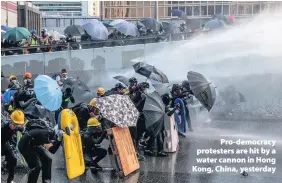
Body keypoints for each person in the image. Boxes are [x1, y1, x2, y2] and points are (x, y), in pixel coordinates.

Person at [1, 110, 25, 183]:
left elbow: (21, 129)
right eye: (15, 124)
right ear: (11, 120)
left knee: (13, 159)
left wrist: (22, 130)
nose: (16, 126)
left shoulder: (15, 126)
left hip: (5, 143)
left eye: (18, 124)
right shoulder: (3, 127)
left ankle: (10, 180)